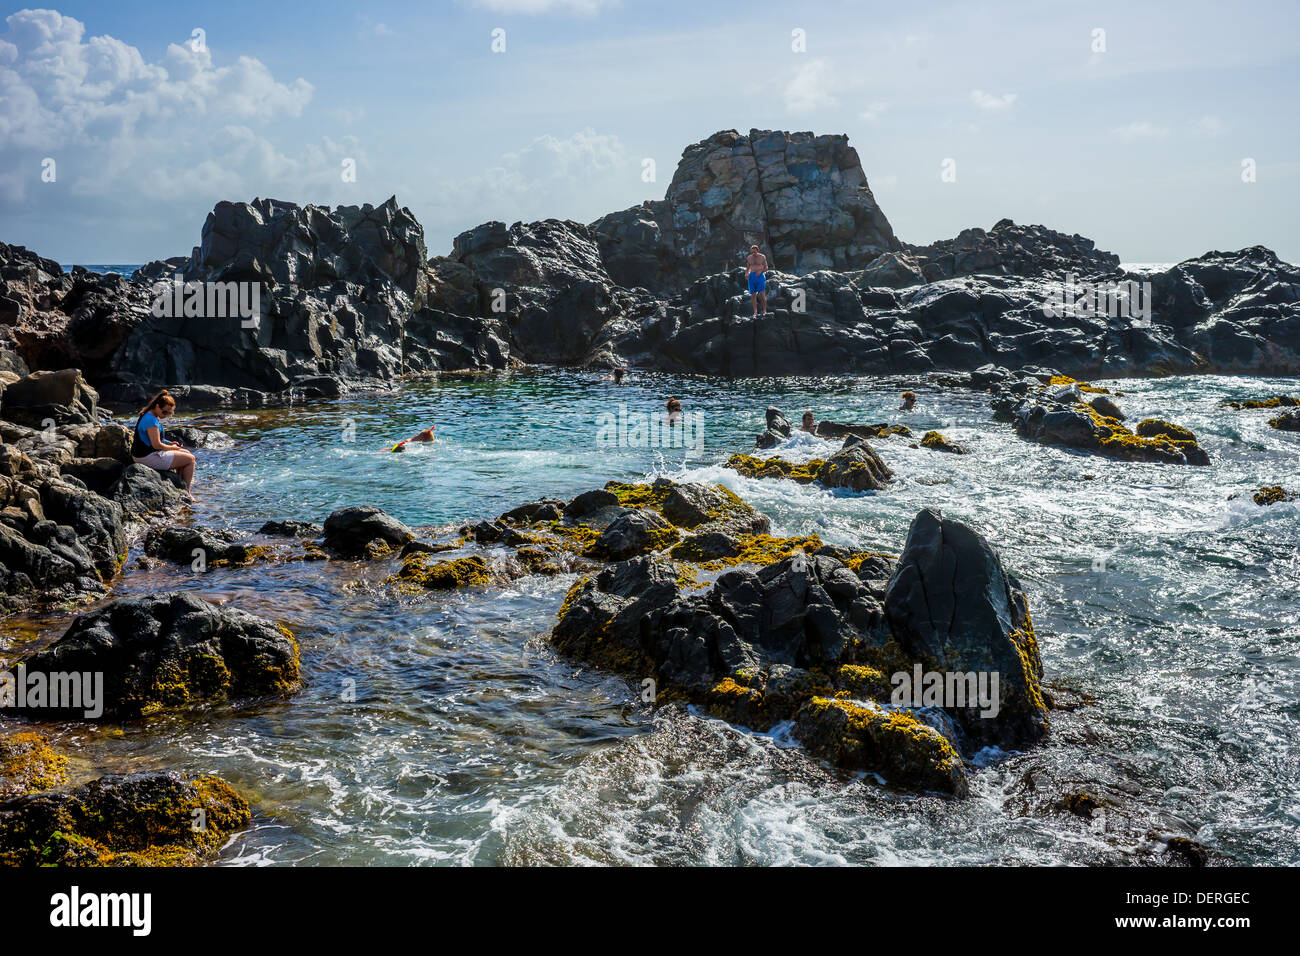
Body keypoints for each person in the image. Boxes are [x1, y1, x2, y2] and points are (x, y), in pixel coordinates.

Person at [131, 389, 196, 500]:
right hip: (146, 457)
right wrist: (172, 447)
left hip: (144, 454)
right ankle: (187, 493)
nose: (166, 415)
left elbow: (152, 439)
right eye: (164, 412)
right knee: (190, 459)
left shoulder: (149, 415)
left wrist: (168, 443)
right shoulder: (151, 420)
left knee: (186, 453)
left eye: (169, 413)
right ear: (157, 406)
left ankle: (180, 484)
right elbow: (156, 445)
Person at [745, 244, 768, 317]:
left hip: (760, 276)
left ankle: (764, 310)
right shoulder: (749, 257)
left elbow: (766, 267)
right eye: (752, 252)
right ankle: (755, 312)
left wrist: (760, 271)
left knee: (762, 294)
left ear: (758, 251)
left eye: (755, 252)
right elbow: (748, 268)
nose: (754, 254)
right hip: (751, 277)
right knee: (753, 295)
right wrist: (746, 273)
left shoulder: (762, 257)